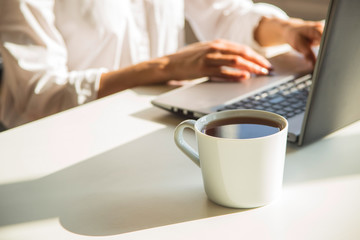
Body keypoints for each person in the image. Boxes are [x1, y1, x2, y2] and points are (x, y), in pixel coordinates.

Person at [0, 0, 324, 129]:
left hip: (156, 122)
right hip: (62, 136)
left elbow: (224, 12)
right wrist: (167, 66)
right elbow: (39, 95)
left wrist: (286, 30)